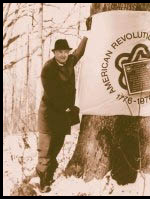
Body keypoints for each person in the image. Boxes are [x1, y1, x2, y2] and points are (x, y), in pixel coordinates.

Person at [36, 33, 88, 192]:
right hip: (48, 114)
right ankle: (43, 181)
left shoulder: (70, 61)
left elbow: (79, 52)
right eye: (60, 52)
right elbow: (51, 93)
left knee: (56, 147)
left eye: (65, 51)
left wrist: (87, 35)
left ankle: (50, 175)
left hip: (63, 114)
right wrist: (65, 107)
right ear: (54, 53)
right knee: (45, 151)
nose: (63, 54)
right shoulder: (48, 68)